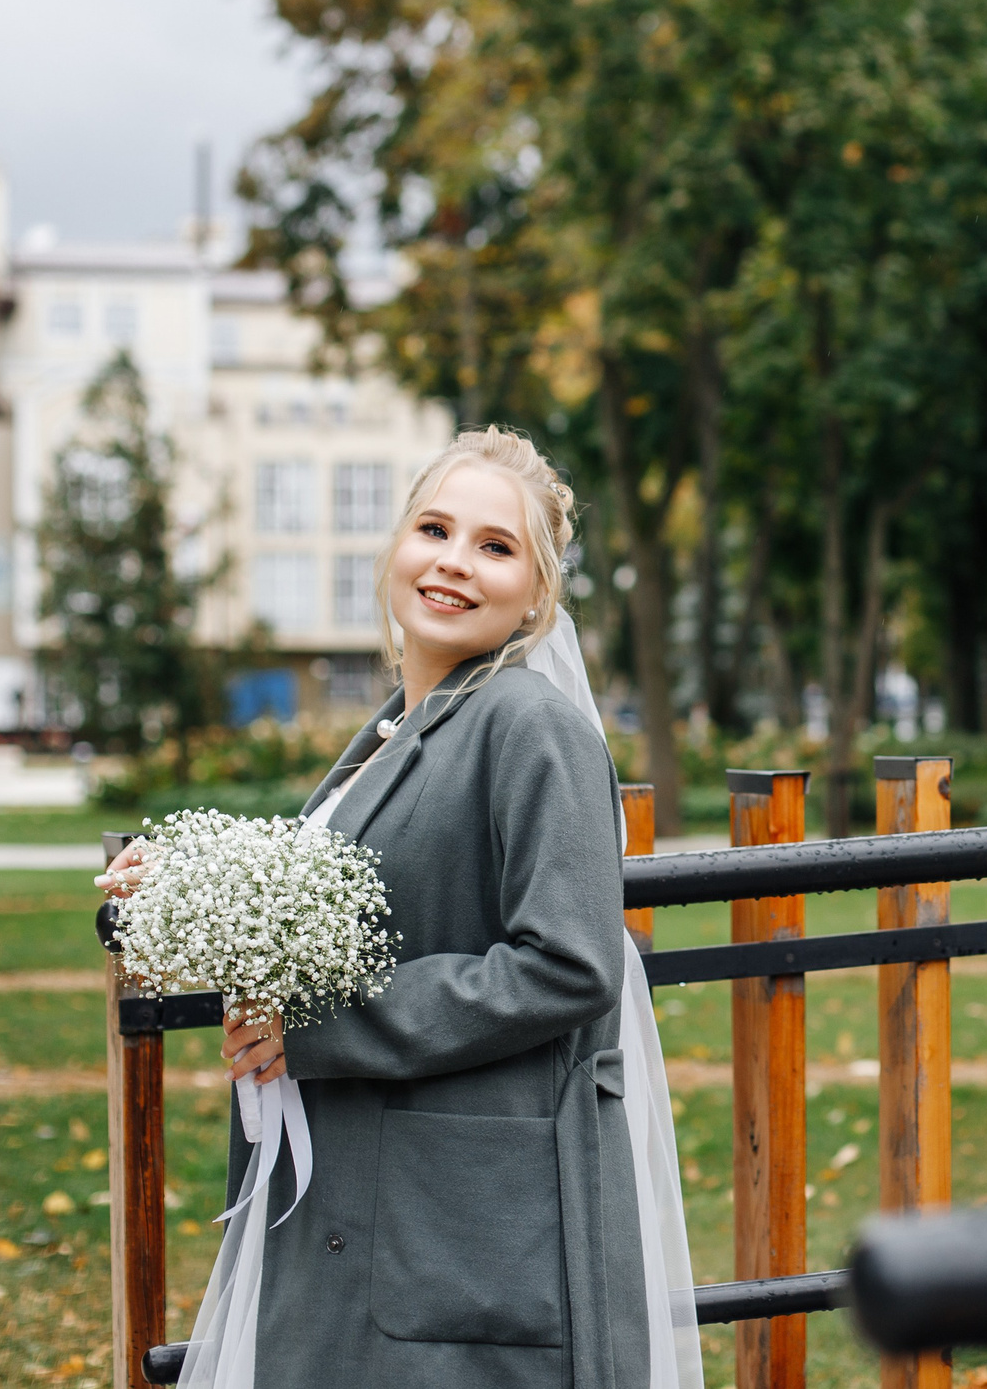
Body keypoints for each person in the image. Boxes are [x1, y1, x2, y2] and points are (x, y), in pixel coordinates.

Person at [102, 427, 699, 1389]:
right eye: (434, 528)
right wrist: (191, 878)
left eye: (495, 546)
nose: (454, 560)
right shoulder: (398, 728)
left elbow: (571, 962)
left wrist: (319, 1027)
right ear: (396, 547)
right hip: (363, 1198)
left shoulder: (530, 725)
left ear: (537, 595)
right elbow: (362, 898)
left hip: (458, 1222)